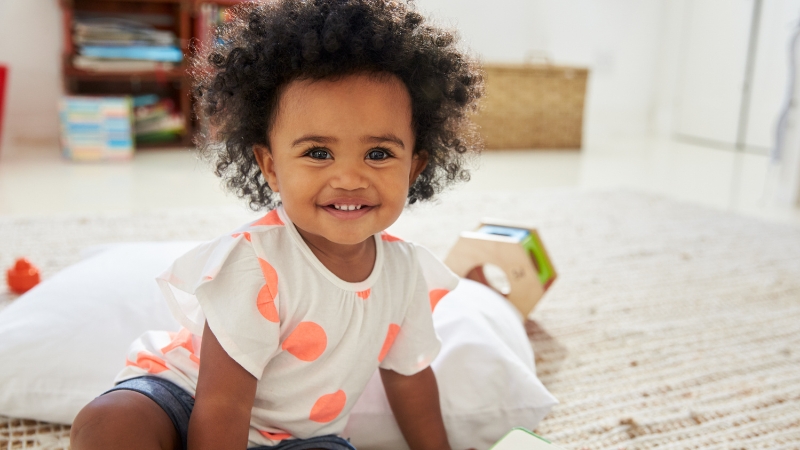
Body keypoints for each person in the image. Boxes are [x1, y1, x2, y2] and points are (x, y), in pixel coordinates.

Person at [70, 1, 483, 449]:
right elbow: (222, 405)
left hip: (299, 439)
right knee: (110, 421)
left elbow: (411, 382)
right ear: (270, 166)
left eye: (379, 153)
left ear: (415, 168)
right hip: (185, 398)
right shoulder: (255, 264)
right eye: (318, 153)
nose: (348, 178)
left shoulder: (406, 273)